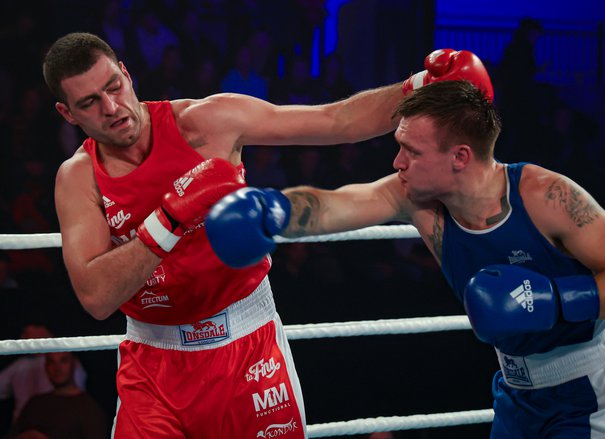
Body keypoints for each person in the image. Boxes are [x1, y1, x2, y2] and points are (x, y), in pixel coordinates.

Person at [43, 31, 491, 438]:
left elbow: (336, 121)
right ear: (67, 113)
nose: (111, 108)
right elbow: (96, 297)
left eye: (113, 87)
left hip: (247, 349)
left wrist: (421, 87)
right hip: (154, 363)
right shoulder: (79, 179)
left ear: (126, 73)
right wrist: (168, 221)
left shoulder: (207, 122)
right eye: (89, 103)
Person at [207, 80, 605, 438]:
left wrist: (551, 300)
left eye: (412, 150)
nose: (397, 161)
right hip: (517, 396)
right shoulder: (416, 197)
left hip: (590, 393)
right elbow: (338, 205)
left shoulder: (545, 196)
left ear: (460, 157)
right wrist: (273, 211)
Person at [8, 351, 107, 439]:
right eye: (51, 362)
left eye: (63, 361)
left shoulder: (89, 408)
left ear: (74, 364)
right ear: (45, 366)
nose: (57, 368)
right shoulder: (35, 403)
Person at [0, 325, 86, 423]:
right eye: (50, 362)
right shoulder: (19, 366)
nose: (23, 337)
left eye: (27, 332)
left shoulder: (83, 405)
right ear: (46, 367)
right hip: (23, 428)